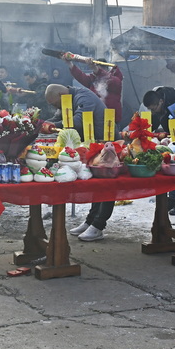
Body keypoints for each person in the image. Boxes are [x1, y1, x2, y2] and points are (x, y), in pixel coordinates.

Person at [45, 83, 114, 242]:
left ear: (62, 96)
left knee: (107, 186)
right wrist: (42, 124)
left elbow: (77, 121)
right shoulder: (67, 100)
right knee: (97, 185)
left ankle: (98, 225)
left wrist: (53, 126)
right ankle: (91, 220)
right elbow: (57, 118)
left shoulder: (84, 97)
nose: (57, 107)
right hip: (91, 146)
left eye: (55, 104)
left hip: (106, 145)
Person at [143, 86, 175, 215]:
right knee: (172, 168)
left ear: (161, 102)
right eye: (150, 110)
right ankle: (172, 198)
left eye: (153, 108)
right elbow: (152, 125)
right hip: (173, 142)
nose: (153, 112)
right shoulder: (159, 109)